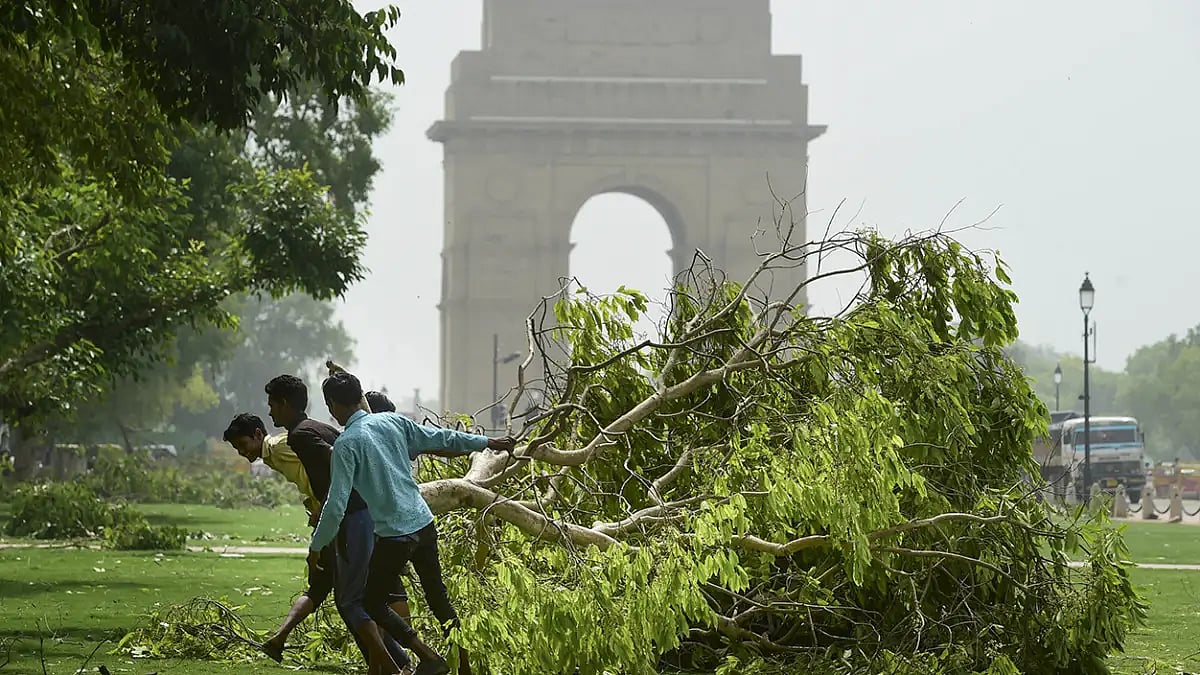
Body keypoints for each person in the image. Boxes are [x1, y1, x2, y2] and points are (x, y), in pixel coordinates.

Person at [310, 371, 516, 675]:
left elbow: (336, 504)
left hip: (395, 535)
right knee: (437, 597)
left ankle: (428, 656)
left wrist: (317, 545)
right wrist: (488, 441)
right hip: (423, 523)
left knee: (371, 602)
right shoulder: (392, 422)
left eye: (329, 405)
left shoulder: (346, 444)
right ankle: (465, 667)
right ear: (360, 397)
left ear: (332, 405)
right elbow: (443, 438)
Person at [264, 375, 412, 674]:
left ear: (284, 404)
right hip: (363, 514)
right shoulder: (322, 427)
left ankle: (399, 664)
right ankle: (396, 663)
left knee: (351, 601)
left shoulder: (301, 435)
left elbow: (338, 461)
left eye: (272, 405)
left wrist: (325, 521)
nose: (270, 412)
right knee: (363, 599)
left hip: (351, 518)